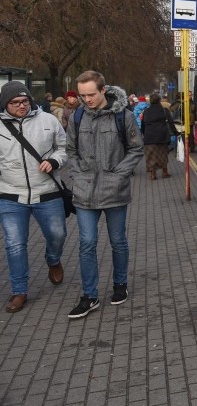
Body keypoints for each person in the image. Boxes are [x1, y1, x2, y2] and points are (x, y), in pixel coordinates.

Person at [65, 70, 143, 319]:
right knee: (86, 243)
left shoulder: (124, 116)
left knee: (117, 241)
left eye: (91, 94)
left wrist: (118, 174)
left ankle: (120, 284)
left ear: (103, 90)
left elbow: (136, 149)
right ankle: (89, 296)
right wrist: (77, 176)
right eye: (82, 95)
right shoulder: (77, 116)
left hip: (114, 190)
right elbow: (71, 150)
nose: (86, 99)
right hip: (85, 191)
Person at [0, 82, 68, 313]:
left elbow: (64, 147)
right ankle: (19, 291)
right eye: (15, 102)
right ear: (5, 104)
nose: (21, 106)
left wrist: (56, 161)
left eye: (25, 101)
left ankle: (53, 259)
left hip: (47, 192)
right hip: (11, 195)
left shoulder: (48, 120)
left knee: (58, 235)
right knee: (14, 245)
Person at [141, 93, 176, 180]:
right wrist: (176, 132)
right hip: (162, 136)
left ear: (150, 101)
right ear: (160, 100)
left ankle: (153, 174)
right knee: (163, 154)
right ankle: (165, 172)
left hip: (149, 137)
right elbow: (171, 123)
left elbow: (143, 125)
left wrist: (144, 134)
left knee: (151, 155)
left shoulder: (146, 111)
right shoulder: (164, 110)